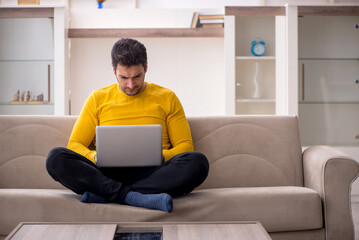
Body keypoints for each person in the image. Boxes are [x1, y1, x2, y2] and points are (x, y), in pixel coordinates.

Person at [46, 38, 209, 213]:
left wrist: (159, 156)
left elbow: (185, 147)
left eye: (137, 77)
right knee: (56, 158)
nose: (131, 85)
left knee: (198, 162)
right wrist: (94, 157)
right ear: (114, 71)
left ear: (146, 67)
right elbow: (75, 144)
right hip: (106, 174)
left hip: (154, 173)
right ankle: (136, 197)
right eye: (124, 77)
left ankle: (108, 194)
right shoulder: (97, 98)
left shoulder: (167, 97)